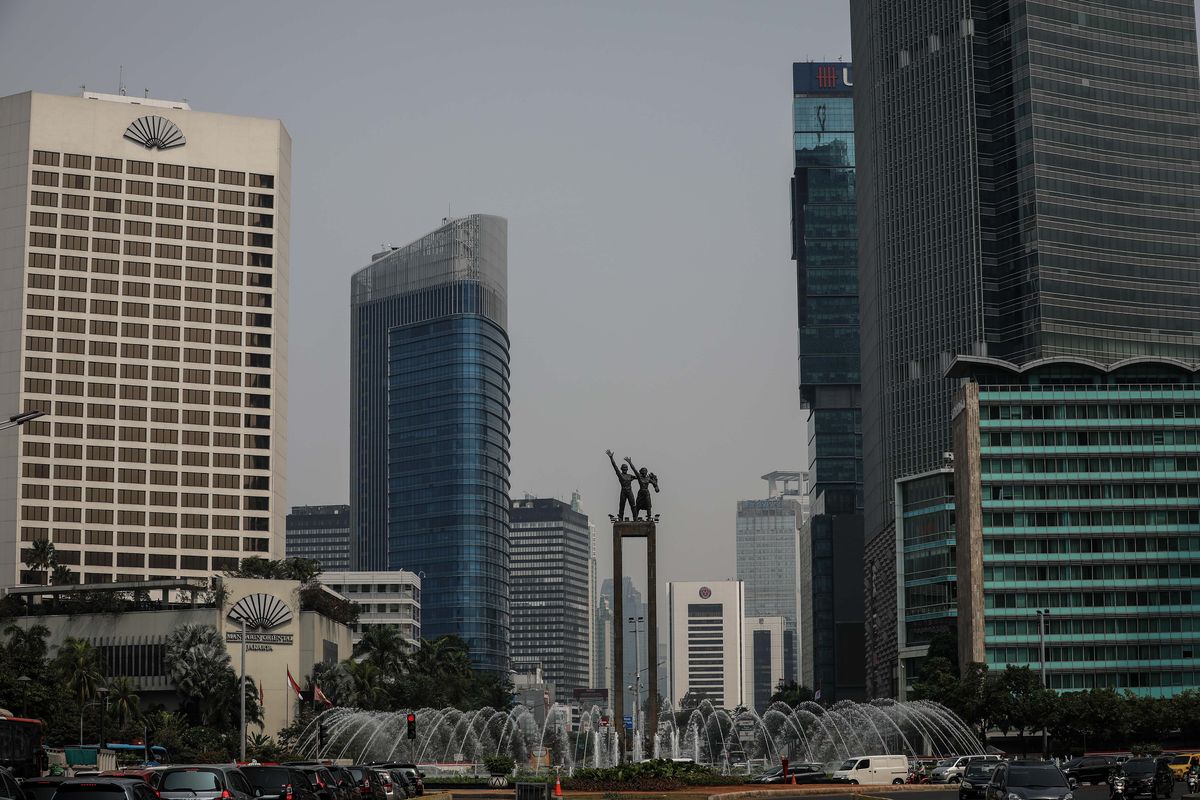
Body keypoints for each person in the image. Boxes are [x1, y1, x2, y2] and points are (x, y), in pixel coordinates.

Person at [624, 456, 660, 520]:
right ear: (641, 472)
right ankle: (635, 518)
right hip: (641, 493)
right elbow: (634, 470)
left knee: (648, 505)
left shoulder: (648, 478)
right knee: (637, 506)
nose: (644, 472)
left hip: (646, 493)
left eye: (645, 471)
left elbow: (655, 486)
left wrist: (656, 483)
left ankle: (649, 517)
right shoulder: (639, 477)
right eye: (643, 471)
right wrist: (630, 462)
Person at [607, 449, 637, 520]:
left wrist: (630, 463)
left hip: (630, 492)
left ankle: (635, 518)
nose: (625, 469)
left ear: (627, 469)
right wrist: (611, 458)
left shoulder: (630, 476)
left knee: (633, 505)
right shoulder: (620, 475)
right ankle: (620, 517)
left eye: (626, 468)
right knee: (622, 506)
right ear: (621, 469)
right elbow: (615, 467)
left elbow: (639, 477)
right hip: (623, 491)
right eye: (623, 468)